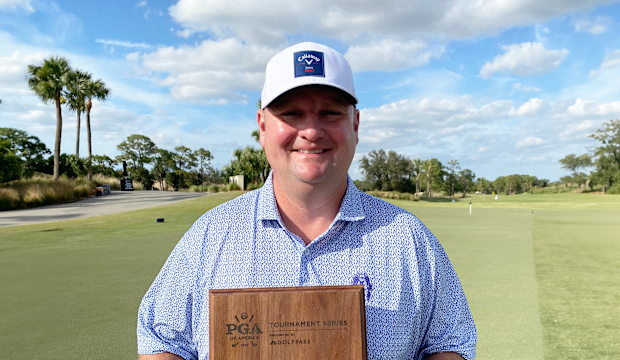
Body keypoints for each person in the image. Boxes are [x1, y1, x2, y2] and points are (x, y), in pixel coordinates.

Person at [137, 42, 477, 360]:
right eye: (291, 113)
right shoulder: (209, 235)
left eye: (330, 112)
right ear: (263, 128)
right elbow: (162, 340)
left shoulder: (409, 239)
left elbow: (450, 342)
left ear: (355, 125)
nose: (311, 131)